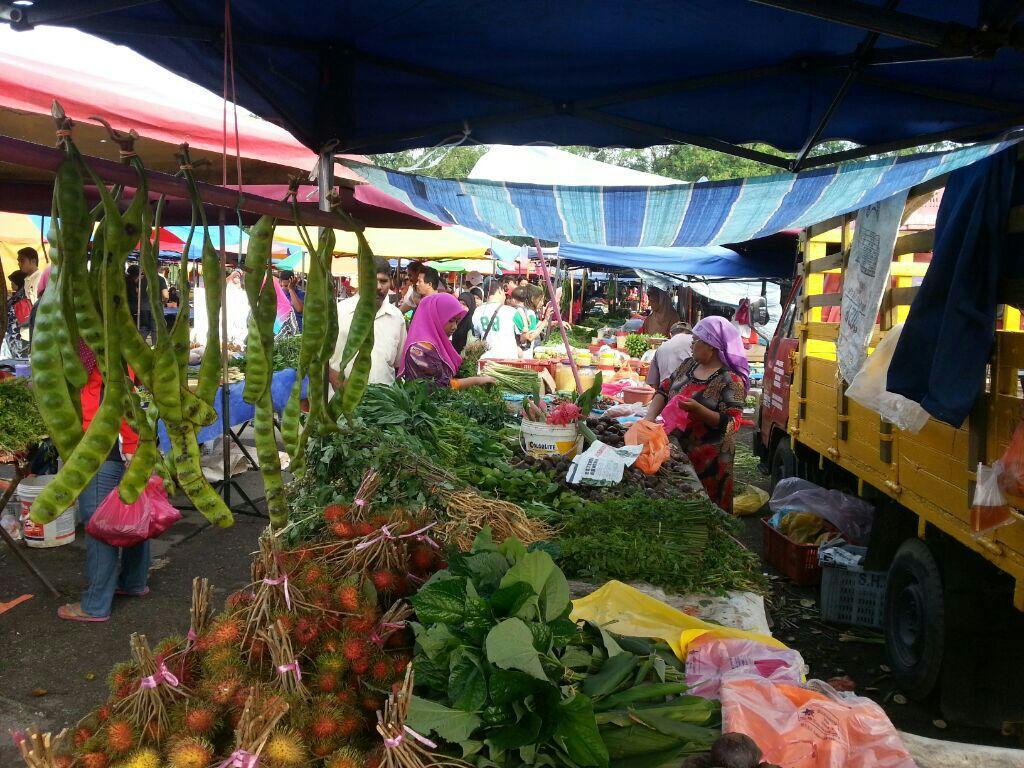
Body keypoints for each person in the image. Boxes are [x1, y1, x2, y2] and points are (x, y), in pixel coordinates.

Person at [58, 343, 148, 622]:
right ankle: (132, 582)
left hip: (104, 446)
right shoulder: (120, 338)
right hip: (130, 442)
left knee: (98, 525)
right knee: (132, 514)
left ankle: (95, 605)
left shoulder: (96, 349)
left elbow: (113, 399)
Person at [643, 316, 749, 513]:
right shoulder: (688, 364)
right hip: (676, 450)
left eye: (696, 341)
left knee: (709, 510)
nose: (691, 345)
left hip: (710, 460)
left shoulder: (730, 380)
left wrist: (699, 410)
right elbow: (664, 390)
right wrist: (648, 418)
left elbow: (733, 423)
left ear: (711, 346)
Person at [329, 257, 407, 387]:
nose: (378, 287)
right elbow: (319, 358)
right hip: (340, 402)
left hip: (381, 403)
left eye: (383, 281)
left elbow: (398, 364)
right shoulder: (339, 312)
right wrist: (336, 381)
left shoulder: (397, 318)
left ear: (390, 282)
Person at [399, 293, 495, 388]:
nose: (455, 327)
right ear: (435, 317)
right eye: (451, 320)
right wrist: (476, 380)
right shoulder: (421, 350)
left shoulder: (437, 343)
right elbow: (442, 386)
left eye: (457, 321)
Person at [472, 277, 522, 360]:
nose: (505, 297)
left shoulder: (477, 311)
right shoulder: (512, 312)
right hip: (509, 361)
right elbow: (524, 337)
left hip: (486, 361)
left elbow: (475, 337)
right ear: (499, 290)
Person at [646, 321, 693, 388]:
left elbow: (653, 385)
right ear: (691, 333)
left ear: (670, 334)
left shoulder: (661, 348)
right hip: (692, 392)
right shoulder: (695, 342)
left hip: (667, 393)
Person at [3, 271, 32, 357]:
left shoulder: (20, 297)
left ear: (18, 282)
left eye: (13, 282)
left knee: (19, 357)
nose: (11, 284)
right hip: (14, 332)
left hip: (18, 333)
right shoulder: (17, 295)